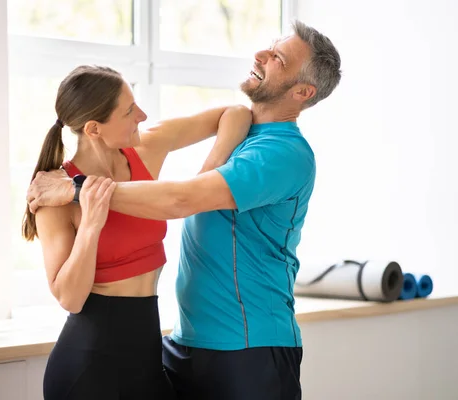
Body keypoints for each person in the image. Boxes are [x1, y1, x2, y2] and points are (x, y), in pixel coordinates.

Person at [27, 20, 342, 400]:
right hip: (181, 345)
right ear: (93, 128)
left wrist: (79, 191)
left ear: (302, 91)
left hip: (247, 347)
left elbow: (182, 199)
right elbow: (231, 122)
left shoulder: (280, 153)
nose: (260, 55)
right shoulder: (247, 136)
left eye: (278, 58)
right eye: (129, 111)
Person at [21, 65, 252, 400]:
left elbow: (237, 114)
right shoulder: (55, 194)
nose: (141, 116)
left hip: (145, 355)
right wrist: (90, 226)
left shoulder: (146, 150)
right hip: (88, 365)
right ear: (94, 128)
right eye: (129, 111)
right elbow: (69, 297)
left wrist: (205, 177)